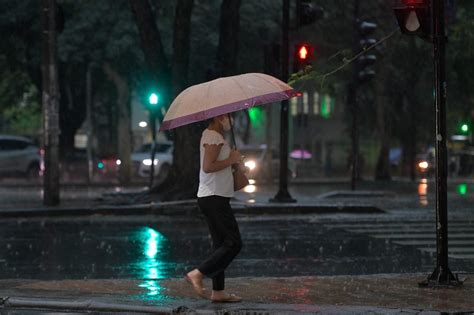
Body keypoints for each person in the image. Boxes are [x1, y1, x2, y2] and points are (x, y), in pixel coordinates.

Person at [185, 114, 243, 303]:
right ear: (219, 117)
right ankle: (198, 273)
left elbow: (216, 166)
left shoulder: (214, 136)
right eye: (229, 116)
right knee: (233, 243)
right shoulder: (213, 137)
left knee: (221, 245)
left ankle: (218, 291)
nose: (231, 119)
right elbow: (208, 167)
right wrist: (231, 159)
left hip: (214, 197)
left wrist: (233, 161)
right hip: (214, 198)